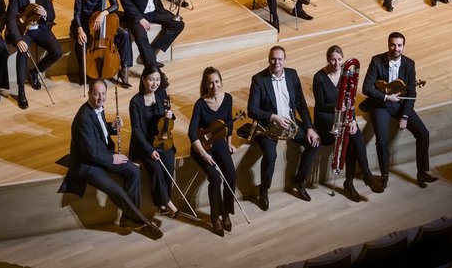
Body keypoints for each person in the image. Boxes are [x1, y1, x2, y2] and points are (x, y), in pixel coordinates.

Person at [64, 80, 163, 238]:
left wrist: (112, 127)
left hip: (101, 153)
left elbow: (99, 130)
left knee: (133, 171)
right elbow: (90, 152)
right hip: (87, 163)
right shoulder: (83, 118)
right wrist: (112, 159)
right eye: (96, 94)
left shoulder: (97, 108)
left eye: (103, 94)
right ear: (89, 94)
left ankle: (128, 218)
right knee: (115, 189)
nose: (100, 97)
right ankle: (142, 221)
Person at [247, 46, 321, 208]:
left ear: (284, 60)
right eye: (273, 59)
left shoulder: (292, 75)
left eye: (280, 59)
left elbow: (301, 104)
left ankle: (299, 182)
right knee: (271, 155)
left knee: (314, 143)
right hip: (268, 126)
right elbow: (252, 110)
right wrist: (273, 117)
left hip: (290, 123)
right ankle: (264, 191)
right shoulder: (259, 79)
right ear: (269, 60)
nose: (276, 62)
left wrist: (309, 127)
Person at [361, 32, 435, 190]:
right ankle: (384, 176)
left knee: (423, 134)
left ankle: (422, 173)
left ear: (403, 46)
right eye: (393, 45)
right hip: (381, 105)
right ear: (388, 45)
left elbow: (412, 93)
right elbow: (366, 87)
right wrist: (386, 98)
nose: (396, 48)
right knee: (382, 141)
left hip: (401, 105)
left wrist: (405, 115)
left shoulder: (409, 64)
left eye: (399, 45)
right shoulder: (377, 60)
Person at [314, 45, 376, 201]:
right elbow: (320, 105)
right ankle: (361, 177)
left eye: (339, 59)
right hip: (325, 116)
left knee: (353, 133)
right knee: (349, 133)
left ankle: (355, 179)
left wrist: (353, 119)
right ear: (328, 59)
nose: (336, 63)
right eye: (333, 59)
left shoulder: (345, 74)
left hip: (343, 116)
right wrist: (336, 107)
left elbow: (350, 100)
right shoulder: (319, 77)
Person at [188, 68, 240, 236]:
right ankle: (215, 216)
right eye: (210, 82)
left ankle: (225, 211)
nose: (214, 85)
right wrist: (204, 154)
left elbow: (228, 125)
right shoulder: (200, 104)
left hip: (219, 143)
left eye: (217, 81)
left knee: (231, 175)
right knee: (215, 178)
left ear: (221, 81)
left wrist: (229, 144)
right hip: (201, 147)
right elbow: (191, 132)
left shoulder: (228, 98)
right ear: (206, 84)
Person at [7, 0, 62, 110]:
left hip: (41, 29)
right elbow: (11, 19)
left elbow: (52, 15)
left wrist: (45, 13)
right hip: (24, 31)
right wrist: (18, 39)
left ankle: (35, 72)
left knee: (57, 51)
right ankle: (21, 91)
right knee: (22, 52)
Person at [72, 0, 133, 89]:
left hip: (102, 22)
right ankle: (85, 72)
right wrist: (80, 30)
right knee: (81, 44)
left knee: (125, 34)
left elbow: (115, 5)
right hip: (85, 24)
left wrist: (103, 13)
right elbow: (76, 13)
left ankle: (125, 70)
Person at [129, 67, 181, 217]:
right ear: (144, 79)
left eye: (158, 79)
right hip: (144, 145)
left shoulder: (161, 95)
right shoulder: (136, 102)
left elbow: (169, 121)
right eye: (151, 79)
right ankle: (169, 204)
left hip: (161, 141)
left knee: (169, 164)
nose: (155, 83)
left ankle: (163, 203)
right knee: (156, 168)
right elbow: (137, 130)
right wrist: (149, 150)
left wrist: (171, 115)